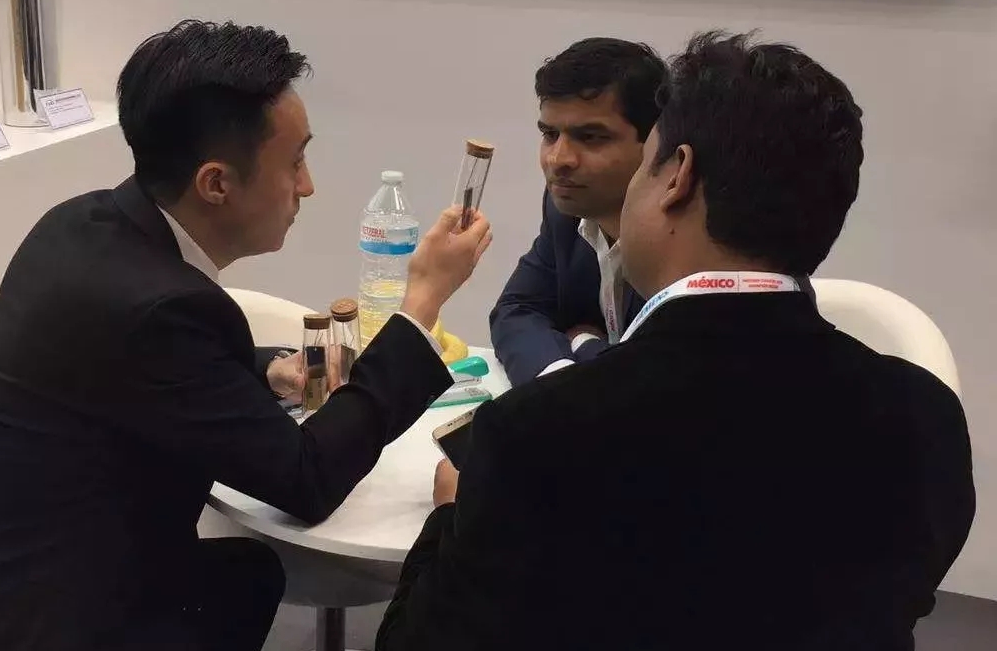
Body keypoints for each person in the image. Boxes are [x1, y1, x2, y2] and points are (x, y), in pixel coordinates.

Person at [376, 32, 975, 651]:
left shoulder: (533, 437)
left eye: (644, 165)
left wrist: (451, 515)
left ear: (676, 177)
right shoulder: (926, 418)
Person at [0, 21, 492, 651]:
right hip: (22, 617)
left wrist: (267, 370)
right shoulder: (167, 307)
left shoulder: (78, 225)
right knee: (242, 579)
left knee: (245, 574)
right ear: (216, 183)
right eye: (294, 162)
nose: (307, 185)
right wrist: (422, 302)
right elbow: (308, 480)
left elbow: (140, 368)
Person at [489, 38, 665, 385]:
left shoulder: (690, 237)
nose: (559, 159)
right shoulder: (566, 213)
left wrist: (583, 342)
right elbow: (516, 311)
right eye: (550, 134)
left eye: (590, 137)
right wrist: (559, 379)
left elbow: (654, 379)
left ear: (654, 144)